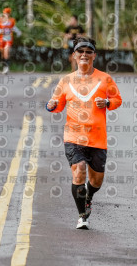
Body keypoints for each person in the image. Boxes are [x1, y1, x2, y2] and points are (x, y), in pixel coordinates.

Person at [46, 36, 122, 229]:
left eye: (89, 52)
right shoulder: (66, 81)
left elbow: (117, 99)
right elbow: (57, 104)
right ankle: (82, 216)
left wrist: (107, 103)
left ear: (94, 56)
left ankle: (89, 195)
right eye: (81, 52)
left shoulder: (105, 79)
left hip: (97, 139)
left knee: (96, 181)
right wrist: (51, 105)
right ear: (74, 56)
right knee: (79, 170)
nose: (84, 55)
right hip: (73, 137)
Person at [0, 7, 21, 74]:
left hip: (9, 38)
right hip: (1, 39)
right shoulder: (0, 20)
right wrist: (0, 31)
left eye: (8, 13)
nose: (7, 14)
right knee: (2, 54)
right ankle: (3, 67)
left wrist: (18, 32)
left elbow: (14, 27)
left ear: (9, 14)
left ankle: (6, 68)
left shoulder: (12, 20)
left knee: (6, 52)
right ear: (3, 13)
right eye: (5, 13)